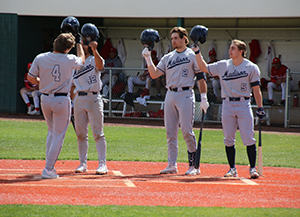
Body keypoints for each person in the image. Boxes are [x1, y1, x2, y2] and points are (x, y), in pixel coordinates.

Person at [192, 39, 265, 179]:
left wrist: (260, 107)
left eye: (233, 48)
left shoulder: (251, 67)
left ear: (241, 51)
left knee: (248, 138)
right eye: (230, 48)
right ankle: (232, 168)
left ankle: (252, 168)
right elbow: (204, 67)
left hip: (244, 103)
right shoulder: (223, 65)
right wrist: (197, 53)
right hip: (227, 104)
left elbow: (256, 89)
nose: (230, 51)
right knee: (228, 138)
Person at [142, 27, 209, 176]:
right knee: (170, 132)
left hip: (185, 94)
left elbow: (201, 78)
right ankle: (172, 164)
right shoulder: (168, 57)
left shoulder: (192, 55)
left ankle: (194, 166)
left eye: (176, 38)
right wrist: (148, 58)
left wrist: (204, 97)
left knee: (186, 131)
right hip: (170, 94)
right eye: (172, 38)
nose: (173, 41)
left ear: (184, 39)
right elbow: (154, 75)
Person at [28, 32, 85, 179]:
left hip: (45, 99)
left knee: (51, 132)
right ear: (67, 48)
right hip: (61, 100)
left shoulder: (41, 57)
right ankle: (48, 168)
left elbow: (30, 78)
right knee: (58, 135)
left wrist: (44, 82)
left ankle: (49, 165)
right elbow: (82, 61)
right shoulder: (70, 58)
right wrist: (79, 44)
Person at [72, 23, 108, 175]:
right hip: (79, 98)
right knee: (80, 134)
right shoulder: (74, 60)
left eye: (88, 40)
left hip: (94, 97)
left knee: (98, 133)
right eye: (84, 40)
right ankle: (82, 163)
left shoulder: (94, 59)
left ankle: (102, 164)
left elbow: (100, 67)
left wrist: (94, 49)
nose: (85, 43)